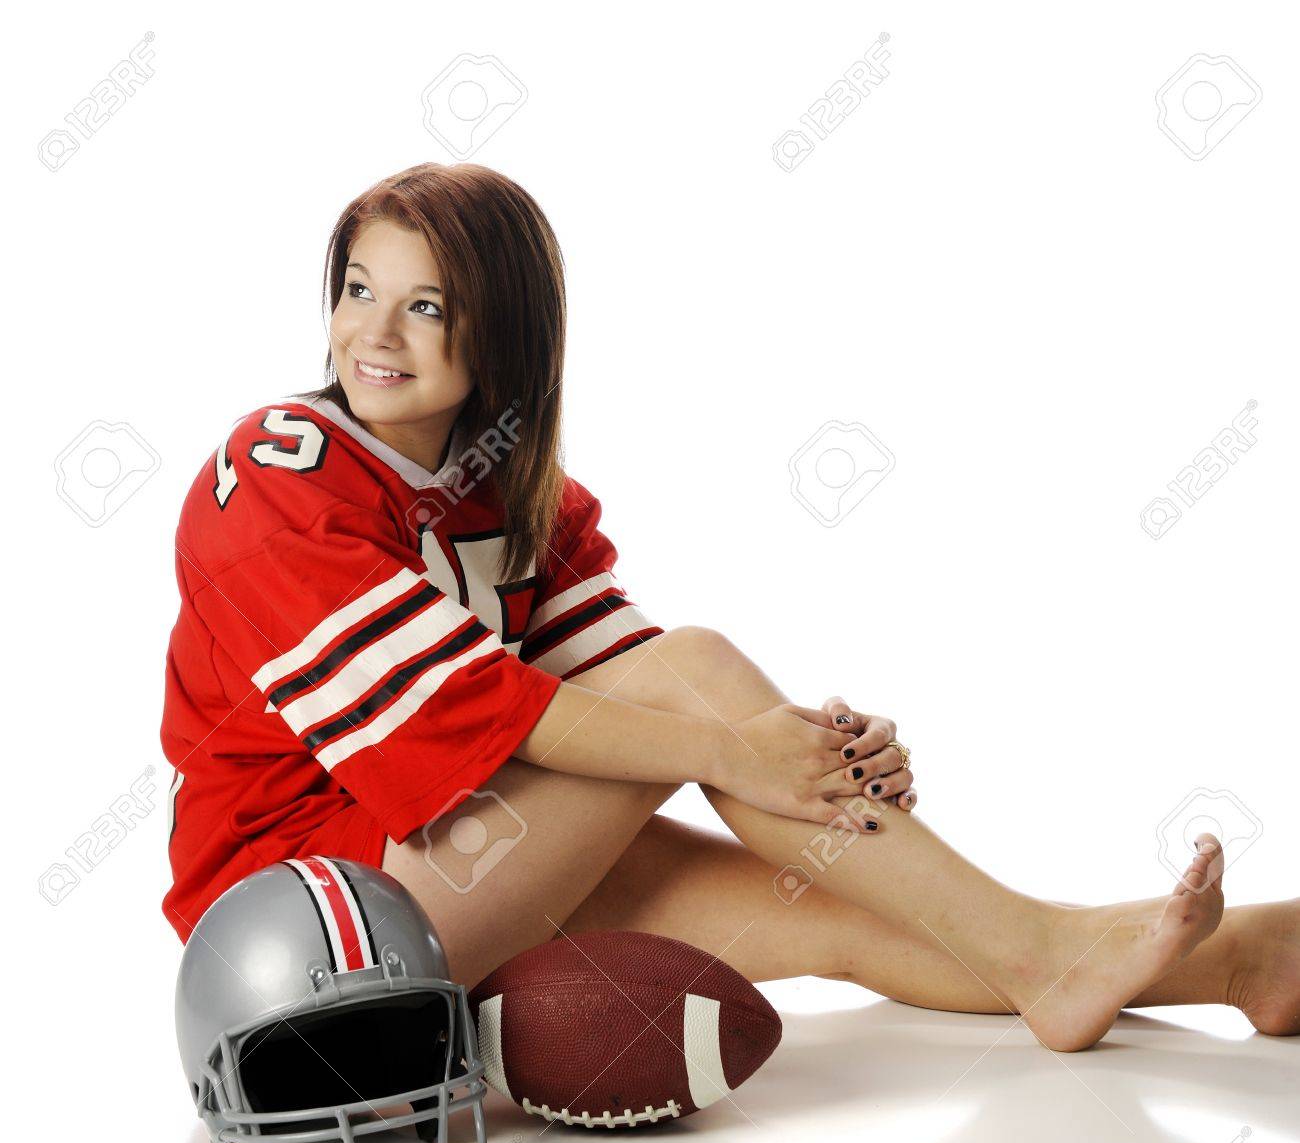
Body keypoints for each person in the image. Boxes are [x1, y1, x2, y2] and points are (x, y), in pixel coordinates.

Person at [160, 162, 1298, 1053]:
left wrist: (815, 761)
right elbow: (487, 714)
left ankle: (1240, 963)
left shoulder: (512, 484)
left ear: (502, 337)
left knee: (829, 910)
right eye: (359, 289)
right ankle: (1048, 959)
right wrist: (751, 754)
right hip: (314, 925)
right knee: (701, 677)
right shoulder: (280, 467)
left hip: (453, 853)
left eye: (424, 305)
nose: (373, 331)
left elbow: (615, 686)